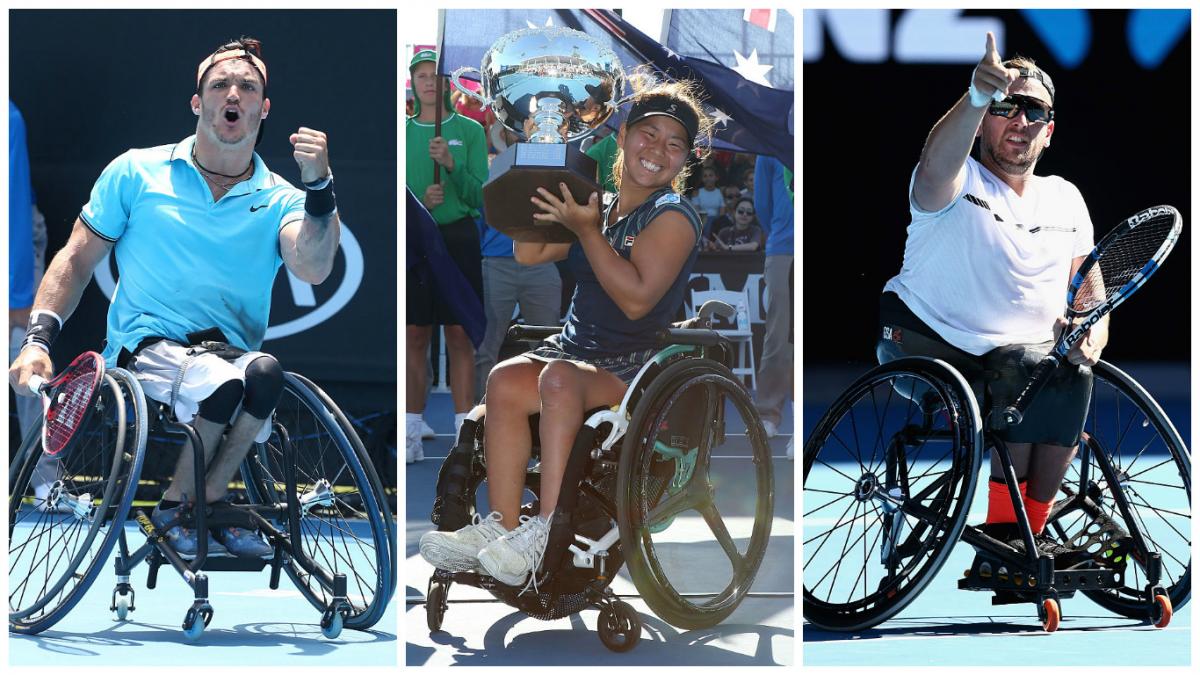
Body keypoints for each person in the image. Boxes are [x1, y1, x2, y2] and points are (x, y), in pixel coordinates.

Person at [8, 37, 341, 558]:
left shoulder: (282, 197)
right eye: (220, 85)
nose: (234, 93)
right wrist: (38, 339)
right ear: (198, 103)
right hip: (144, 351)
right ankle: (190, 507)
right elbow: (75, 259)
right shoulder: (136, 172)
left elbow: (313, 265)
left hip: (229, 354)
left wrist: (320, 189)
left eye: (248, 87)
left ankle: (194, 500)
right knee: (224, 386)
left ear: (263, 107)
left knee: (265, 374)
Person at [420, 75, 713, 589]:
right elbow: (528, 253)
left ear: (684, 160)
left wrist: (585, 230)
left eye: (674, 144)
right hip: (574, 353)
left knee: (555, 379)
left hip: (634, 369)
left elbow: (636, 297)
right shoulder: (595, 202)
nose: (657, 150)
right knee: (506, 379)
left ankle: (547, 529)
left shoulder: (673, 217)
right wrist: (539, 165)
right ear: (621, 137)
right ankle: (503, 526)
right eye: (648, 134)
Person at [878, 33, 1101, 566]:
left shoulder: (1066, 196)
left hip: (1026, 364)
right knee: (1026, 368)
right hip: (928, 345)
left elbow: (1088, 290)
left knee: (1068, 373)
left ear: (1049, 132)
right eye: (1005, 108)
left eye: (1034, 112)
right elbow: (935, 161)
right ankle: (1007, 534)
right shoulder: (954, 179)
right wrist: (976, 95)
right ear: (984, 120)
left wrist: (1088, 337)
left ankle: (1028, 534)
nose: (1019, 121)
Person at [405, 49, 488, 463]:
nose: (427, 82)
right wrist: (420, 201)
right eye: (420, 75)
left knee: (459, 335)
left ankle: (464, 431)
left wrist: (451, 164)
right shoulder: (400, 131)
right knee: (414, 335)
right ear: (413, 83)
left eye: (434, 75)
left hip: (458, 237)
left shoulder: (471, 131)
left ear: (446, 84)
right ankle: (409, 434)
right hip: (415, 240)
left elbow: (480, 194)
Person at [754, 153, 794, 461]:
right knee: (778, 335)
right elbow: (762, 205)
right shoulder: (768, 142)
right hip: (784, 248)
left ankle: (800, 428)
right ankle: (767, 415)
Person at [689, 165, 724, 231]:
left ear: (716, 178)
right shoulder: (696, 193)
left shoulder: (720, 192)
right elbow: (696, 211)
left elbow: (722, 211)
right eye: (705, 176)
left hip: (716, 222)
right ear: (702, 179)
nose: (708, 178)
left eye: (710, 175)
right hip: (701, 221)